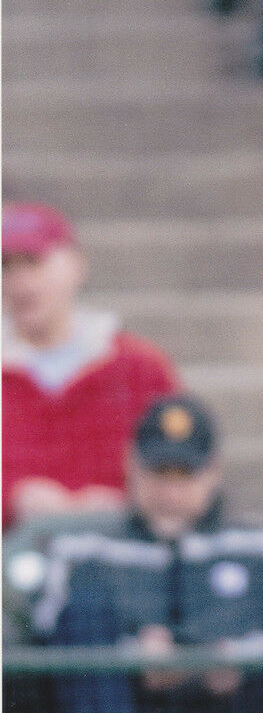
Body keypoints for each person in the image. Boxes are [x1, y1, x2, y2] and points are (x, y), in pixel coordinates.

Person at [25, 395, 263, 713]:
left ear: (213, 471)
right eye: (158, 475)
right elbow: (42, 631)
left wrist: (235, 657)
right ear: (131, 465)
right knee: (80, 613)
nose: (170, 494)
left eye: (186, 477)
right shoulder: (83, 549)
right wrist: (134, 657)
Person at [2, 201, 180, 532]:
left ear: (76, 265)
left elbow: (182, 466)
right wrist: (11, 500)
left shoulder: (138, 366)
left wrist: (133, 500)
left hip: (123, 554)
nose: (20, 280)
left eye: (33, 262)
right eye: (7, 267)